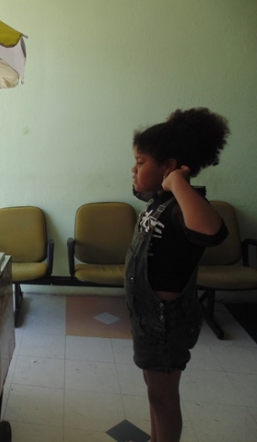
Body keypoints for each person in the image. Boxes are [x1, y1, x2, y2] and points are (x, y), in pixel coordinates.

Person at [125, 107, 229, 442]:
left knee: (164, 398)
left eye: (140, 161)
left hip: (166, 322)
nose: (133, 169)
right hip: (148, 317)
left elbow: (212, 231)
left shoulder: (183, 206)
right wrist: (162, 182)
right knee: (155, 391)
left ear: (168, 167)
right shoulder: (160, 201)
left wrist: (179, 182)